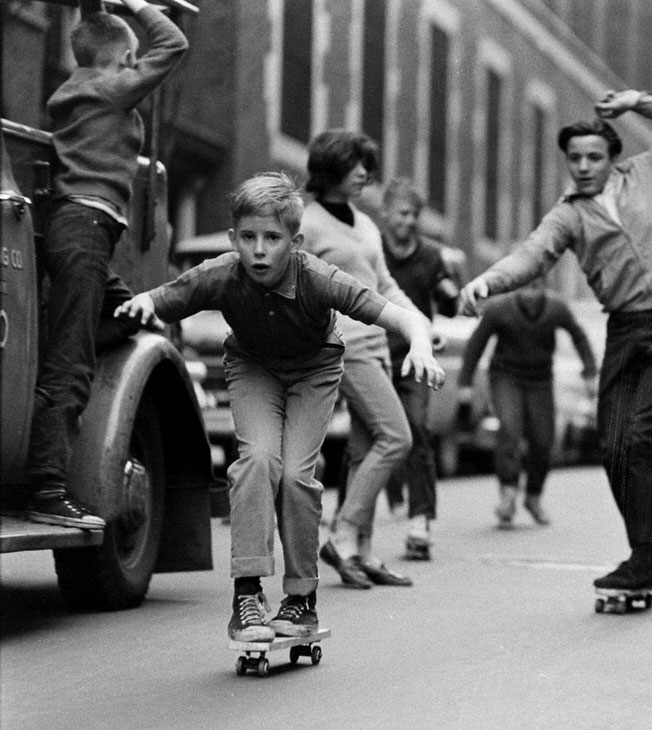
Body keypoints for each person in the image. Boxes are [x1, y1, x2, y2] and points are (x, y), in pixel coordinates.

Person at [113, 173, 444, 640]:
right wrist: (140, 304)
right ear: (233, 239)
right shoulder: (222, 273)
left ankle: (300, 600)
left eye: (273, 238)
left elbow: (398, 314)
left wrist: (420, 346)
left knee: (295, 476)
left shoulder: (318, 277)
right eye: (248, 238)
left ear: (296, 241)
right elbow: (166, 296)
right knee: (256, 462)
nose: (260, 250)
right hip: (254, 369)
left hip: (314, 372)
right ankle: (247, 595)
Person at [459, 89, 652, 594]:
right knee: (612, 441)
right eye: (575, 158)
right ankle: (646, 554)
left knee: (641, 435)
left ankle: (644, 555)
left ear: (613, 158)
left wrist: (639, 103)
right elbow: (531, 256)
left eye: (594, 156)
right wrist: (486, 282)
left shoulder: (650, 170)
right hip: (624, 325)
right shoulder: (569, 214)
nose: (584, 166)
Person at [25, 0, 188, 529]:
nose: (137, 69)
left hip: (82, 232)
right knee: (71, 366)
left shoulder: (86, 89)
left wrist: (105, 10)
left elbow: (95, 32)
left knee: (140, 315)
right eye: (132, 60)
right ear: (121, 60)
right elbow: (175, 46)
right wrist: (140, 5)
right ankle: (48, 488)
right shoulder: (110, 88)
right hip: (86, 232)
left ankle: (52, 363)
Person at [299, 129, 429, 588]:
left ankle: (362, 553)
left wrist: (417, 325)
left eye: (366, 165)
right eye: (354, 164)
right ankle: (342, 531)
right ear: (330, 167)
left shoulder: (365, 223)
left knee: (363, 450)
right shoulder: (308, 223)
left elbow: (384, 285)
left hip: (379, 346)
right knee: (397, 437)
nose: (363, 174)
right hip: (347, 345)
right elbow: (295, 283)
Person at [458, 280, 598, 526]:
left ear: (543, 289)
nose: (530, 296)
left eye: (535, 290)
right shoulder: (499, 308)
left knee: (544, 440)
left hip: (540, 380)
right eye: (525, 289)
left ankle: (533, 495)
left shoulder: (556, 308)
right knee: (509, 427)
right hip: (505, 376)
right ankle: (508, 492)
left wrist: (589, 372)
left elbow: (579, 335)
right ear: (516, 290)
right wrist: (465, 385)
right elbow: (476, 343)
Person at [379, 178, 459, 559]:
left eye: (415, 215)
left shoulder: (430, 256)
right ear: (385, 214)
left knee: (416, 429)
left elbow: (448, 307)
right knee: (371, 436)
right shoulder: (374, 250)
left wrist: (450, 294)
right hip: (376, 353)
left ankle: (421, 521)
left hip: (416, 356)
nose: (409, 221)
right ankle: (352, 525)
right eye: (402, 213)